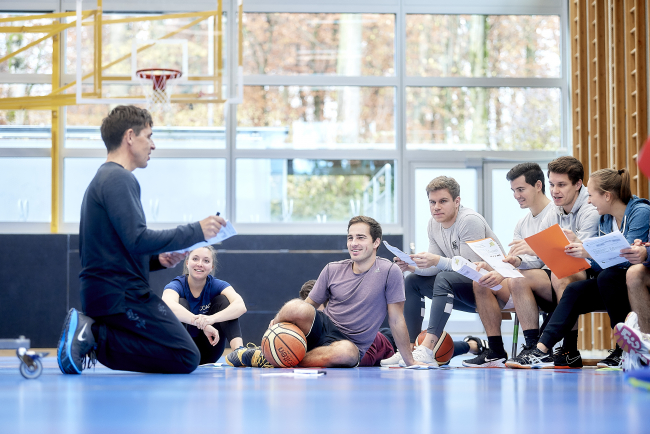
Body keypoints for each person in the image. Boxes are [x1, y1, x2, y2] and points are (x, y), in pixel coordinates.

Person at [56, 105, 226, 375]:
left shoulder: (105, 178)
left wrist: (157, 260)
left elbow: (118, 247)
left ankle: (92, 333)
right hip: (123, 296)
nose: (153, 145)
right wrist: (198, 230)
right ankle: (95, 334)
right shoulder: (118, 178)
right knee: (185, 356)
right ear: (130, 136)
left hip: (105, 293)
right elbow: (137, 238)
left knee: (183, 355)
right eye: (149, 136)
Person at [520, 168, 650, 369]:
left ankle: (622, 350)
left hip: (632, 280)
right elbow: (599, 264)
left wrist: (588, 251)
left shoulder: (640, 211)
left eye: (591, 195)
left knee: (608, 276)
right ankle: (541, 350)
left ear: (607, 196)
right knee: (574, 290)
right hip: (612, 283)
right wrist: (581, 248)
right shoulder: (606, 220)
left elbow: (630, 258)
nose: (589, 201)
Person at [262, 216, 425, 368]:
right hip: (323, 326)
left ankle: (284, 359)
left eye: (361, 237)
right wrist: (276, 330)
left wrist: (409, 360)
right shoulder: (332, 268)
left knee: (345, 353)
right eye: (350, 238)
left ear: (376, 242)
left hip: (351, 344)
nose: (354, 243)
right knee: (295, 307)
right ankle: (267, 349)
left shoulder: (390, 271)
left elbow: (396, 319)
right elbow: (308, 307)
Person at [391, 176, 505, 366]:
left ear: (457, 201)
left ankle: (427, 349)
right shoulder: (433, 224)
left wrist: (437, 261)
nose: (436, 207)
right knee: (412, 281)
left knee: (443, 278)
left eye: (443, 201)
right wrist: (412, 266)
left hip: (492, 289)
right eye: (432, 202)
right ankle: (409, 350)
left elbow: (471, 268)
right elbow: (434, 267)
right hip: (463, 288)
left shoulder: (469, 220)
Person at [505, 156, 599, 369]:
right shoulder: (555, 210)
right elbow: (540, 257)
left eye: (561, 185)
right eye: (552, 184)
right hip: (561, 268)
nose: (555, 191)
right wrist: (518, 261)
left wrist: (539, 247)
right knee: (518, 279)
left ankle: (569, 349)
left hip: (592, 272)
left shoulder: (590, 209)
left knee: (561, 272)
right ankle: (531, 347)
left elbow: (583, 253)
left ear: (578, 184)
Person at [464, 163, 555, 368]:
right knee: (482, 281)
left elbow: (543, 261)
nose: (516, 195)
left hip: (550, 280)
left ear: (538, 185)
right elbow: (519, 260)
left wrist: (513, 267)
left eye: (520, 189)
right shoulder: (522, 223)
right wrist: (496, 267)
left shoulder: (554, 213)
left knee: (515, 278)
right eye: (513, 190)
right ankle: (495, 350)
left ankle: (533, 347)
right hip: (523, 280)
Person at [161, 246, 247, 366]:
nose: (200, 264)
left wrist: (212, 319)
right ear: (187, 263)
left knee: (223, 301)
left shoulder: (217, 285)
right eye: (195, 259)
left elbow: (240, 306)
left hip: (209, 350)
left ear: (211, 267)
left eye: (206, 261)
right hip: (182, 352)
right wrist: (200, 323)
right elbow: (167, 304)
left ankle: (239, 353)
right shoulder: (177, 284)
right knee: (181, 303)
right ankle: (176, 353)